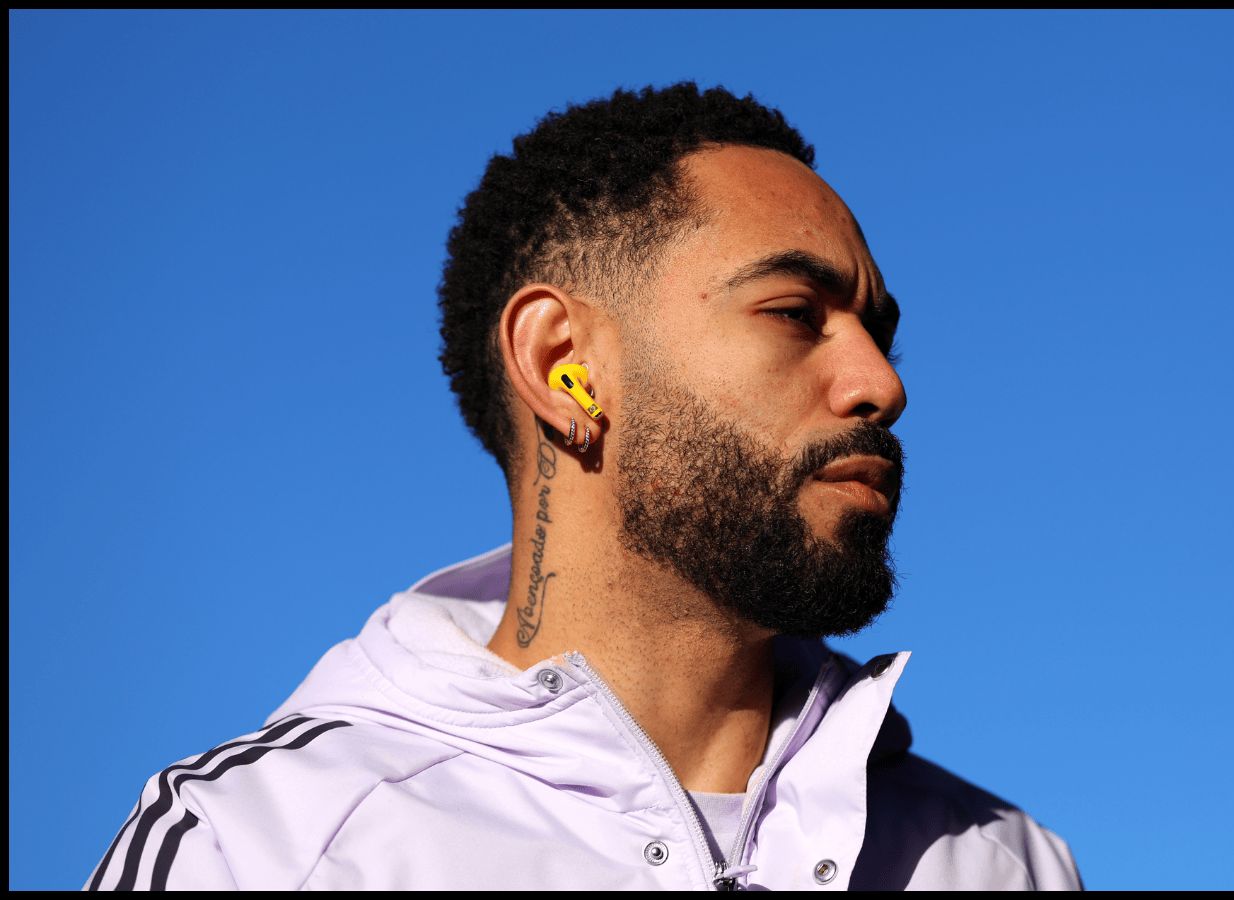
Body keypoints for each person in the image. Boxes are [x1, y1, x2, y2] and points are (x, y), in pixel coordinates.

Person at [85, 82, 1083, 891]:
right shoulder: (261, 847)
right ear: (564, 365)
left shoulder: (1001, 863)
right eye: (794, 313)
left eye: (877, 331)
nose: (881, 385)